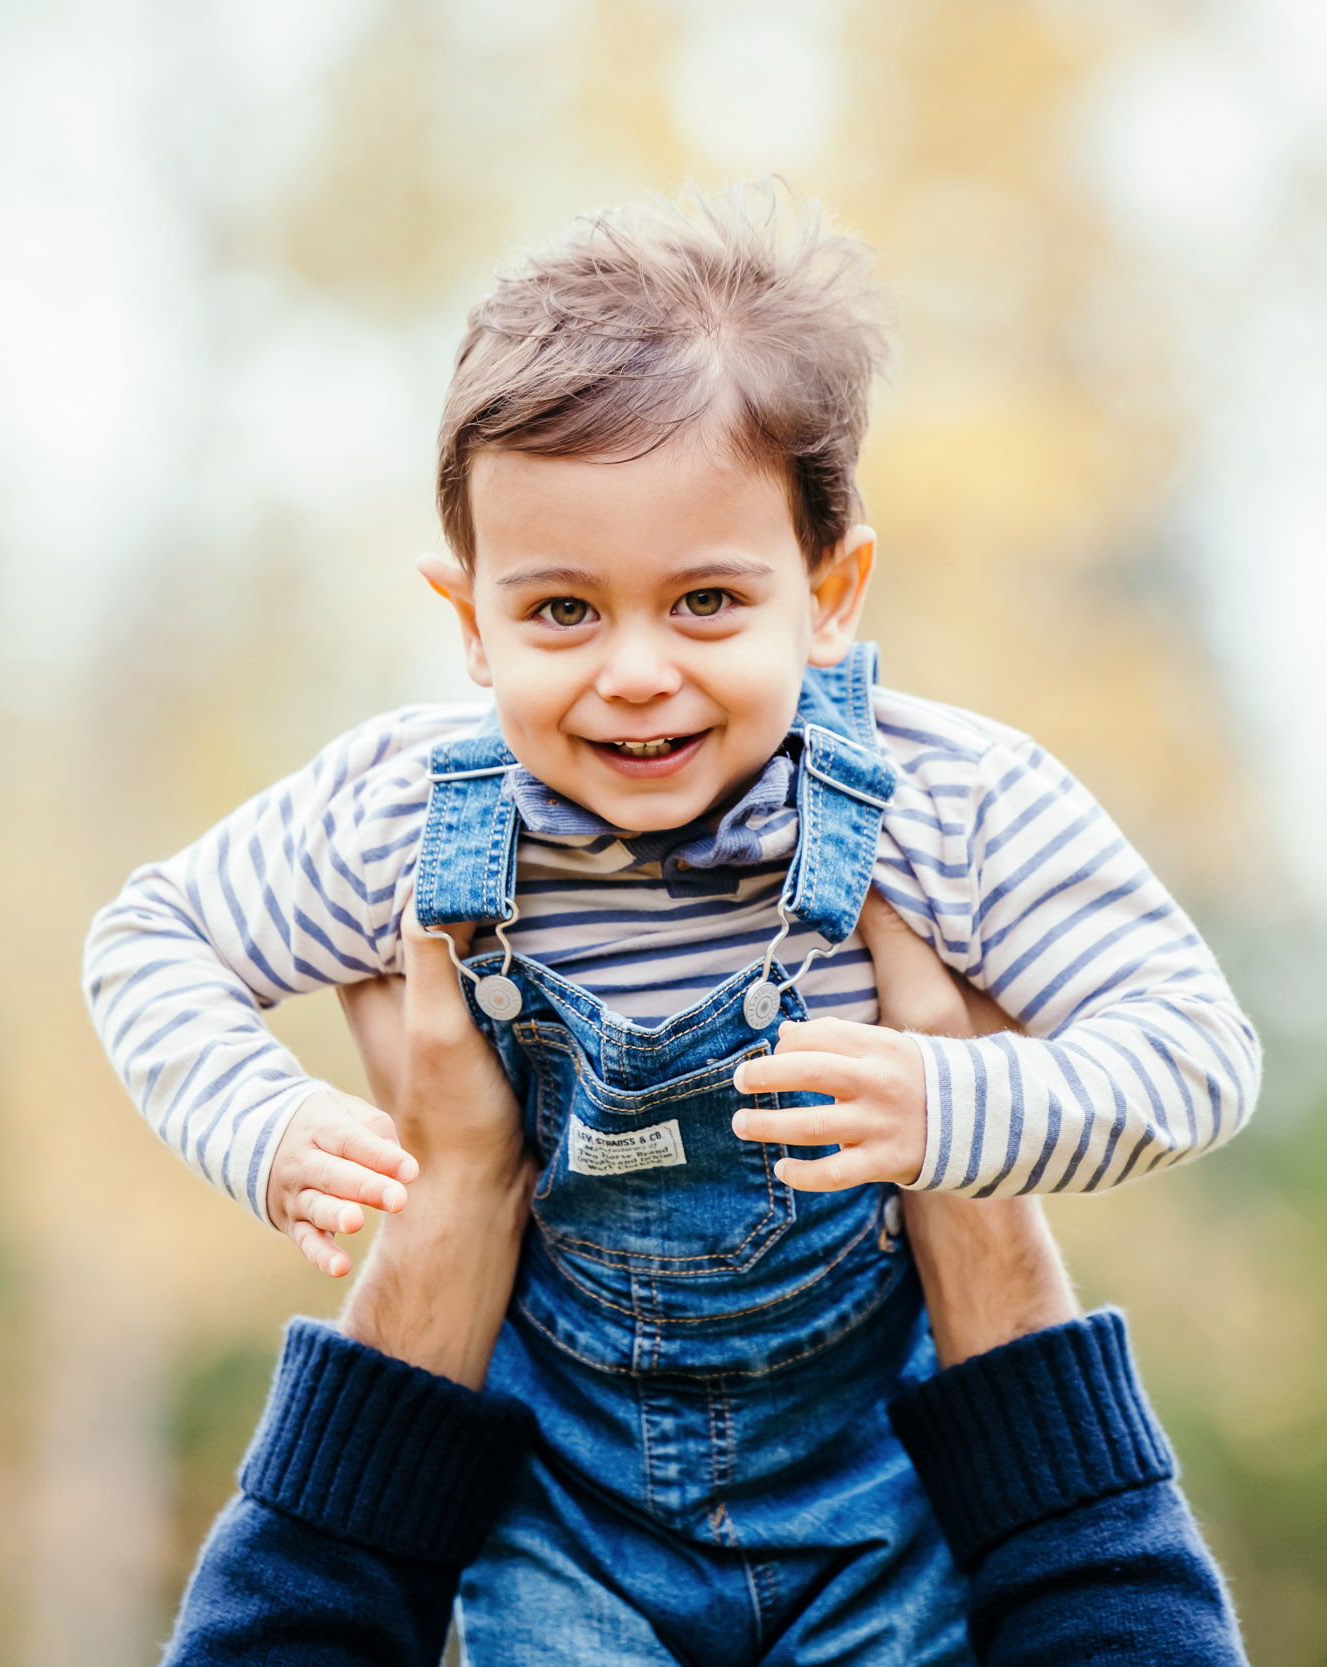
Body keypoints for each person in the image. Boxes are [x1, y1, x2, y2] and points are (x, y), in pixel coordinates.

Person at [84, 184, 1262, 1663]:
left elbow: (1197, 1050)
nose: (635, 672)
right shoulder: (409, 816)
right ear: (468, 619)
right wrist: (259, 1121)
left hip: (874, 1506)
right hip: (566, 1523)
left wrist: (955, 1101)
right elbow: (152, 939)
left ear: (830, 593)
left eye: (705, 600)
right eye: (561, 612)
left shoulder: (947, 802)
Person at [162, 902, 1247, 1665]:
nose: (639, 677)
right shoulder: (943, 801)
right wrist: (973, 1189)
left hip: (665, 1483)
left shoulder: (404, 807)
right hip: (692, 1473)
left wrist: (446, 1207)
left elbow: (160, 933)